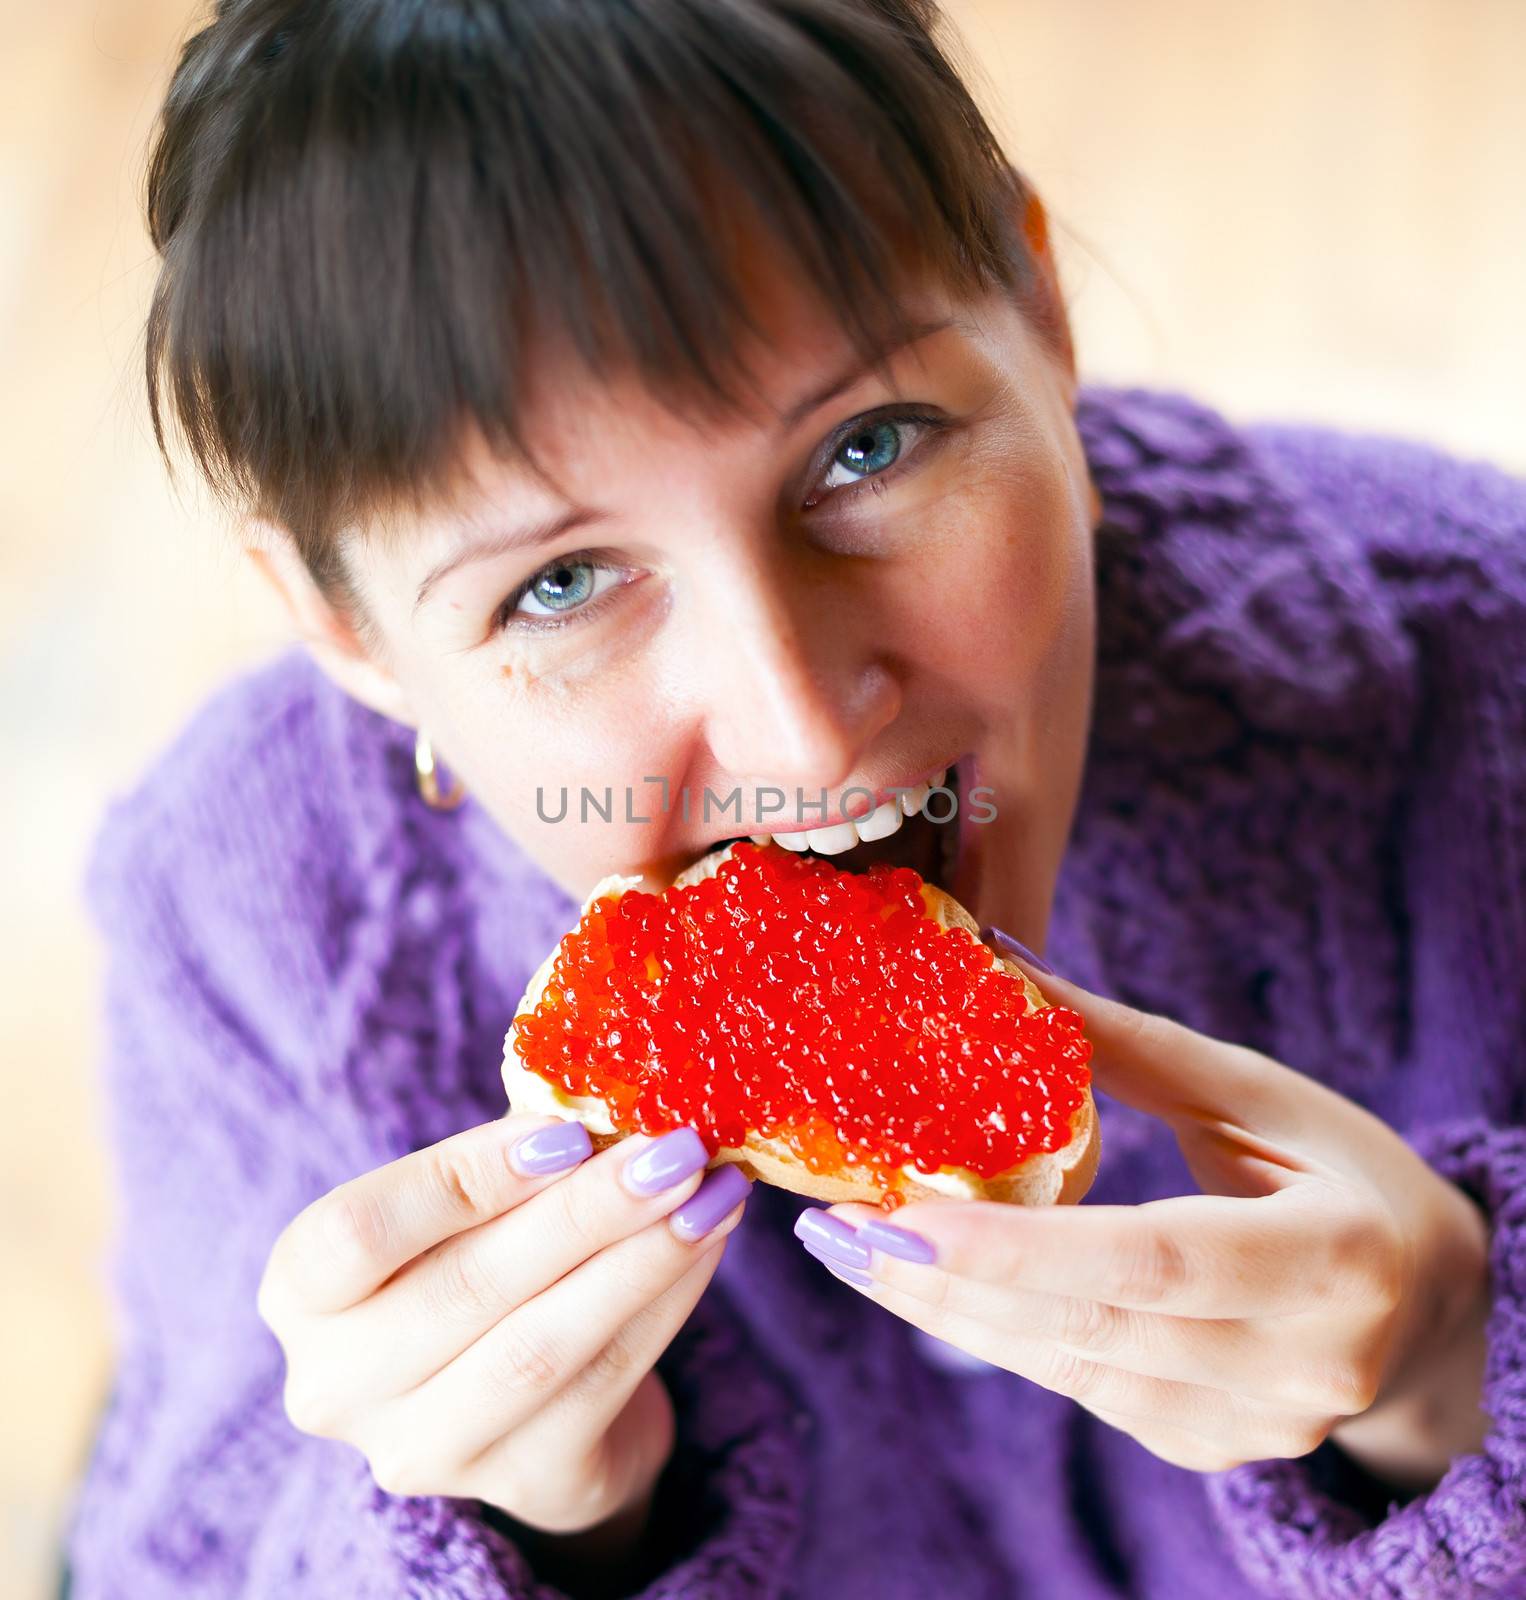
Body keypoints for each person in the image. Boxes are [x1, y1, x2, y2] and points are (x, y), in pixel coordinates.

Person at [63, 1, 1524, 1595]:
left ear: (1039, 311)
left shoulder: (1479, 663)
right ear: (347, 629)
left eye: (868, 446)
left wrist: (1463, 1373)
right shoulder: (239, 910)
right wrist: (525, 1534)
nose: (808, 730)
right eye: (559, 584)